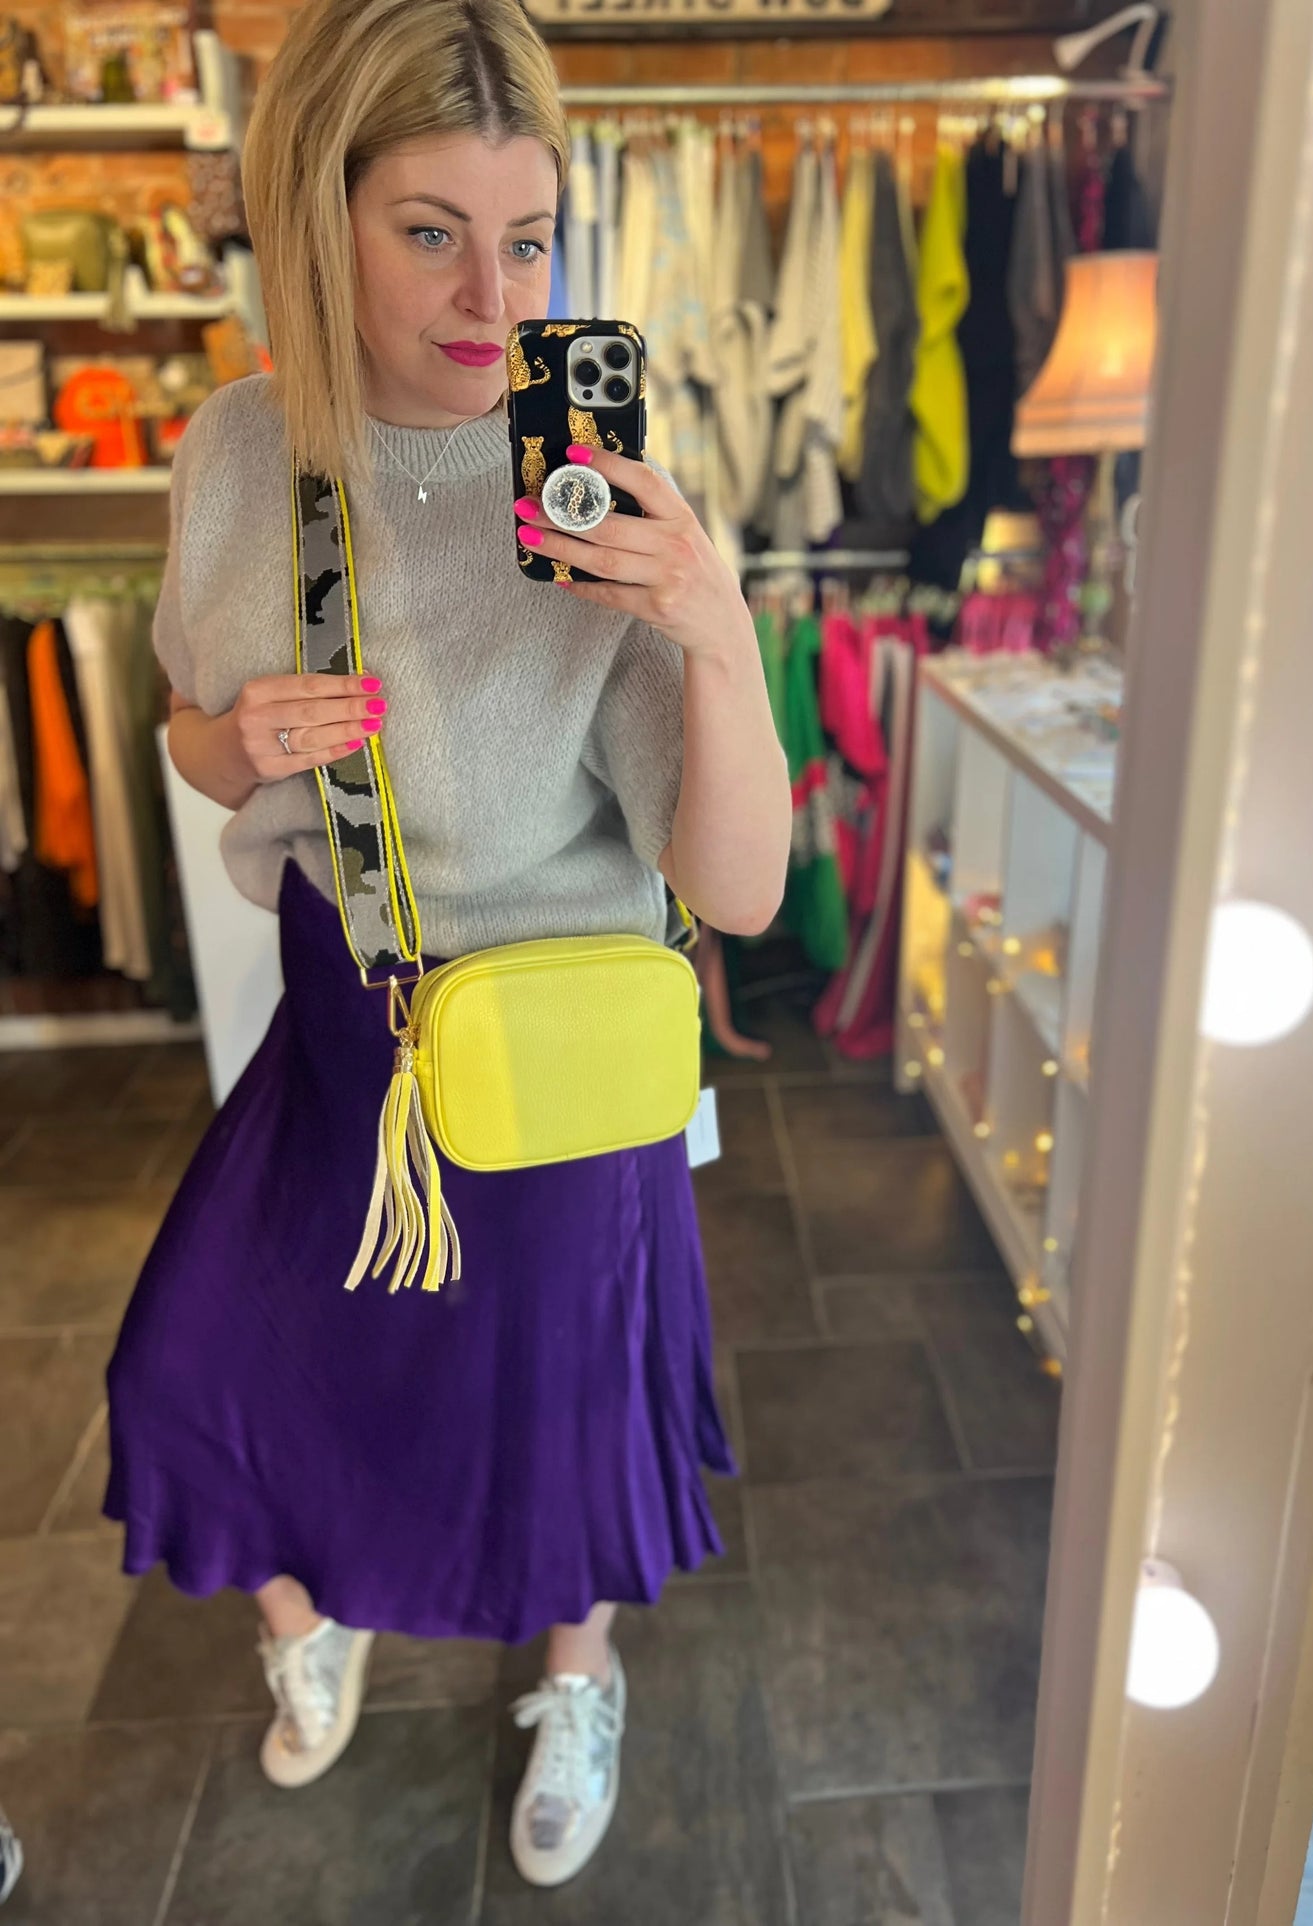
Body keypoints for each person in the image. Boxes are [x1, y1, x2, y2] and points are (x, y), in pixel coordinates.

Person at [103, 0, 789, 1889]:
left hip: (560, 1045)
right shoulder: (240, 452)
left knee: (559, 1411)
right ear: (317, 218)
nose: (494, 296)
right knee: (193, 1369)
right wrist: (238, 741)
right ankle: (318, 1610)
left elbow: (735, 889)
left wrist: (716, 631)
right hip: (350, 1031)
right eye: (430, 232)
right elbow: (187, 730)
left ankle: (576, 1675)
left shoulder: (588, 489)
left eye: (529, 238)